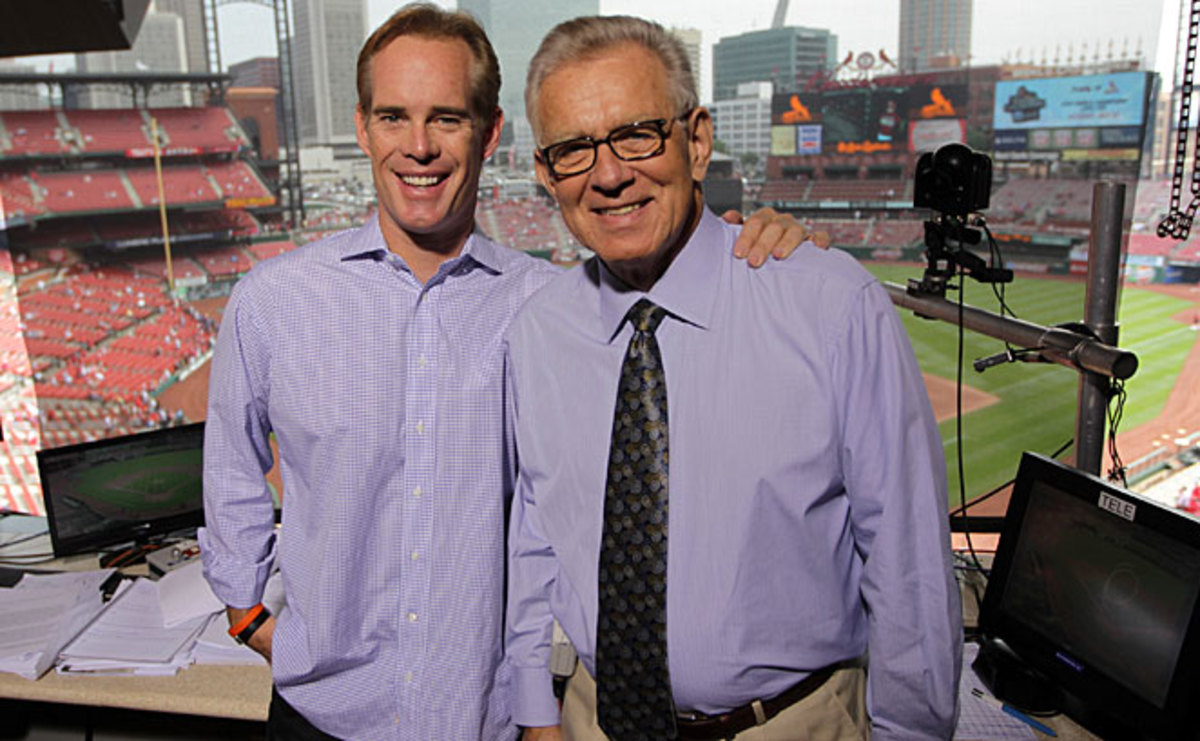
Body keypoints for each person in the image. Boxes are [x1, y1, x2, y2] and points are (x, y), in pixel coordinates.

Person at [199, 5, 819, 740]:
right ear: (363, 128)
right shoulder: (274, 300)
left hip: (488, 721)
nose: (419, 146)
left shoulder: (557, 308)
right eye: (394, 117)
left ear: (490, 133)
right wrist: (247, 614)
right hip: (319, 716)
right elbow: (230, 469)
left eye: (447, 118)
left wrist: (760, 245)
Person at [504, 15, 962, 741]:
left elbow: (909, 564)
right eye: (574, 149)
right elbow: (536, 536)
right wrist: (536, 712)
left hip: (788, 725)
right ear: (545, 172)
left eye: (637, 134)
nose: (609, 174)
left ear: (697, 141)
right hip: (590, 719)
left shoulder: (829, 305)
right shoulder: (538, 332)